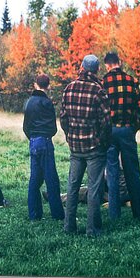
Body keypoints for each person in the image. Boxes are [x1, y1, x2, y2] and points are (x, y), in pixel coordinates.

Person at [60, 54, 111, 237]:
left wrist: (69, 136)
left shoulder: (69, 88)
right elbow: (106, 122)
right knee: (94, 188)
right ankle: (92, 230)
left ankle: (69, 226)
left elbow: (63, 118)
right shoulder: (99, 91)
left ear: (81, 67)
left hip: (75, 147)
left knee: (72, 187)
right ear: (97, 70)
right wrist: (103, 142)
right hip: (94, 148)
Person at [102, 51, 140, 221]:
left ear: (107, 65)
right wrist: (133, 128)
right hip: (127, 130)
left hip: (110, 131)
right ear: (119, 62)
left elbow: (100, 113)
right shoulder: (132, 81)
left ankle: (115, 215)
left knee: (112, 173)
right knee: (132, 172)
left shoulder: (103, 83)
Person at [23, 74, 65, 221]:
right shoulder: (47, 103)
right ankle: (58, 215)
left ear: (36, 84)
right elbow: (53, 128)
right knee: (51, 179)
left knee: (35, 180)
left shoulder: (29, 102)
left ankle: (34, 215)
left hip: (33, 141)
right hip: (45, 142)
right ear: (48, 86)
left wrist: (32, 137)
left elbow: (25, 126)